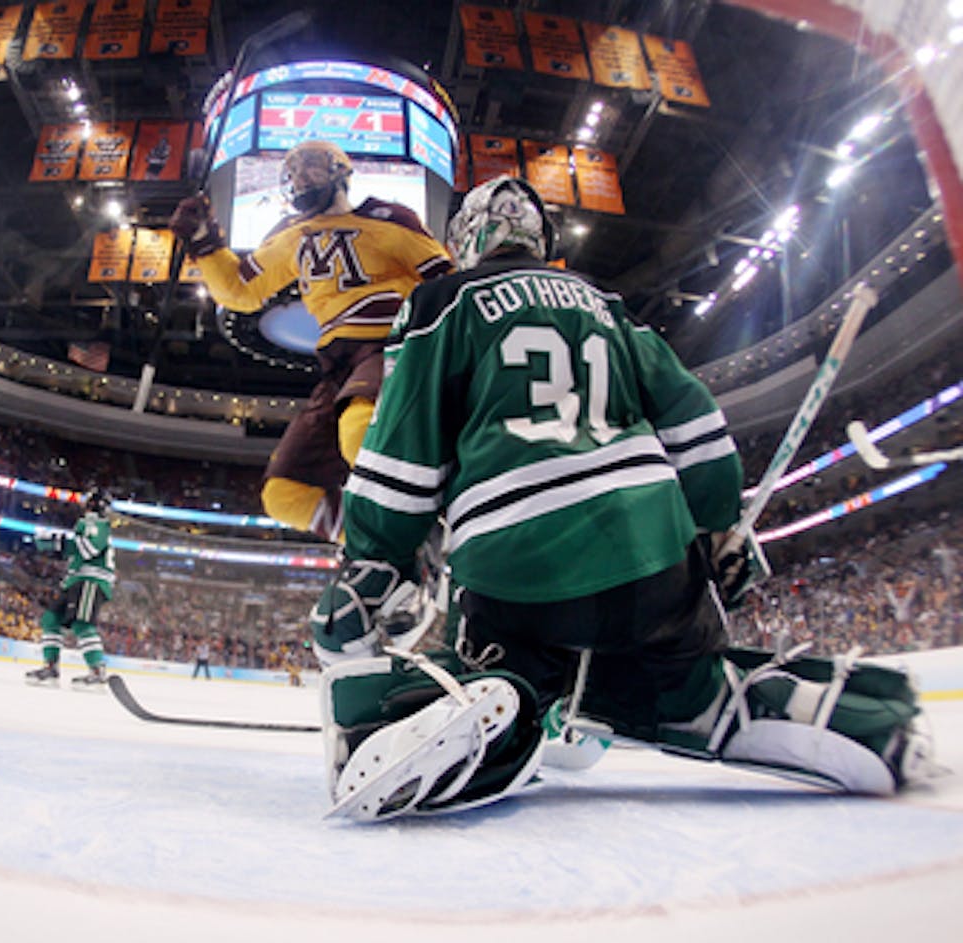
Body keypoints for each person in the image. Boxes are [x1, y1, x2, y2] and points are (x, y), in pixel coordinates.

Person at [310, 175, 936, 821]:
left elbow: (401, 454)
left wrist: (375, 558)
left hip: (517, 563)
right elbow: (698, 426)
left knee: (492, 669)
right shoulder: (606, 304)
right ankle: (845, 716)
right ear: (540, 237)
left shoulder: (441, 300)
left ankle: (459, 707)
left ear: (466, 237)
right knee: (685, 684)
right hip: (655, 552)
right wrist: (717, 530)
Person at [170, 140, 452, 541]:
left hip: (393, 347)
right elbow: (238, 290)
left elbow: (448, 282)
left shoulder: (391, 218)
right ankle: (375, 546)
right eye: (294, 173)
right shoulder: (289, 234)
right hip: (339, 364)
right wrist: (204, 243)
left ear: (341, 171)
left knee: (359, 430)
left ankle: (429, 520)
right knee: (284, 494)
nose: (300, 179)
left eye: (310, 168)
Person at [26, 488, 116, 687]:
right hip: (77, 580)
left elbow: (88, 548)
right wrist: (56, 545)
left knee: (82, 623)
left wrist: (58, 542)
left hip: (90, 580)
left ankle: (97, 671)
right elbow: (79, 548)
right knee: (51, 619)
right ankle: (51, 668)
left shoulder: (94, 522)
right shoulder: (90, 523)